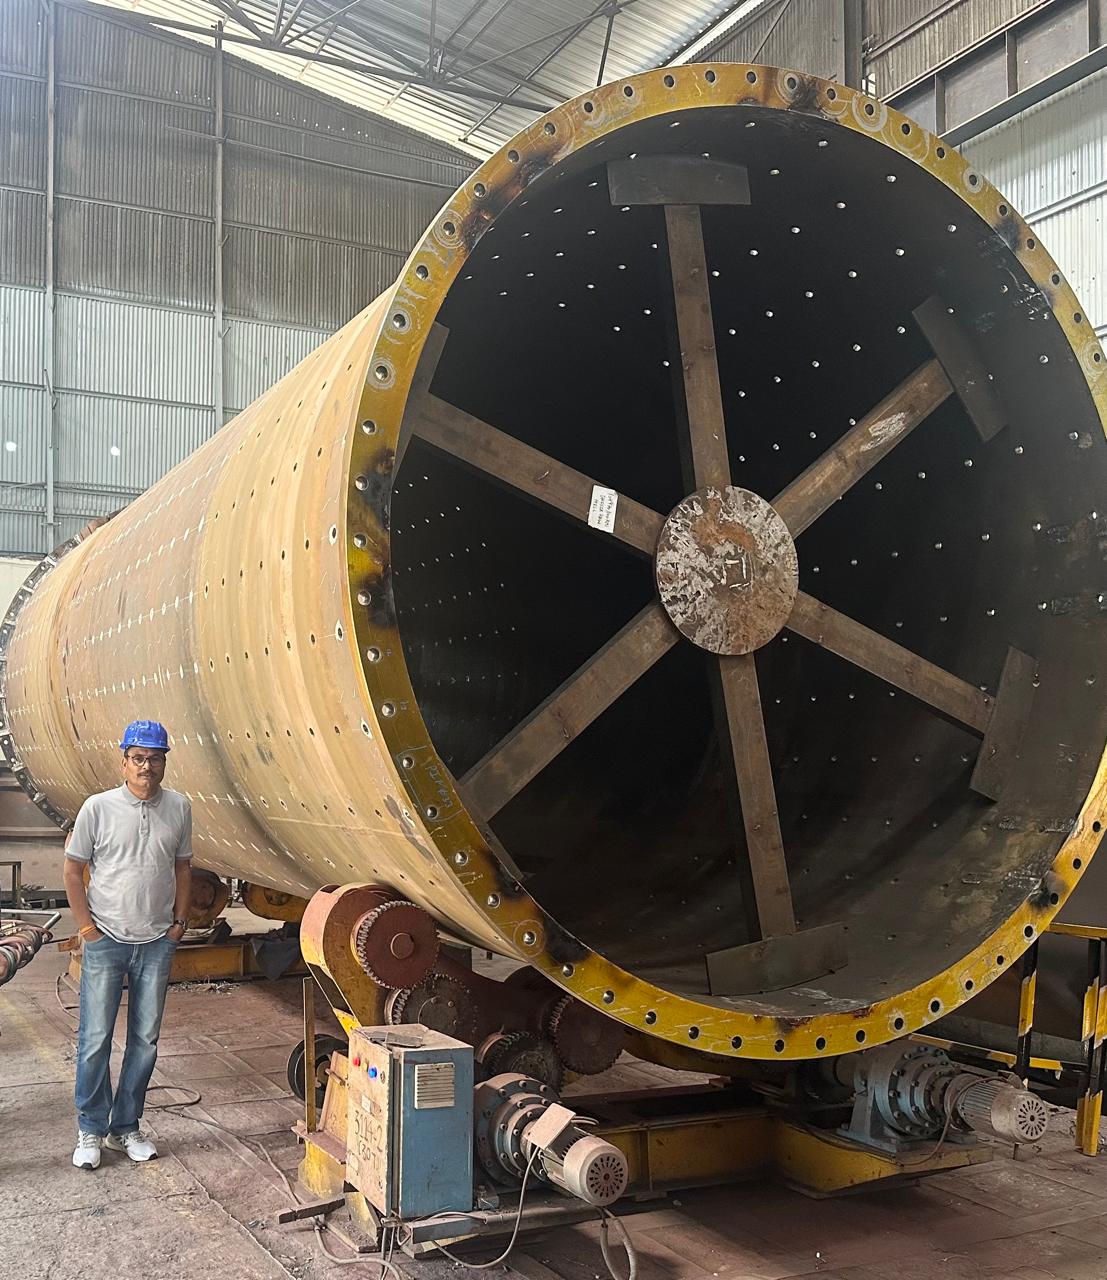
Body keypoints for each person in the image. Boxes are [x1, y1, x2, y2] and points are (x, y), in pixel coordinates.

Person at [62, 720, 193, 1170]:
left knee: (145, 1040)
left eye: (155, 758)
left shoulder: (179, 807)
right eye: (138, 758)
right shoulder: (98, 808)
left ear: (164, 762)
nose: (146, 766)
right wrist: (86, 929)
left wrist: (179, 923)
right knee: (94, 1039)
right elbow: (72, 870)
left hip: (156, 942)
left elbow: (183, 867)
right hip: (106, 939)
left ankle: (125, 1127)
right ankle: (90, 1128)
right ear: (124, 762)